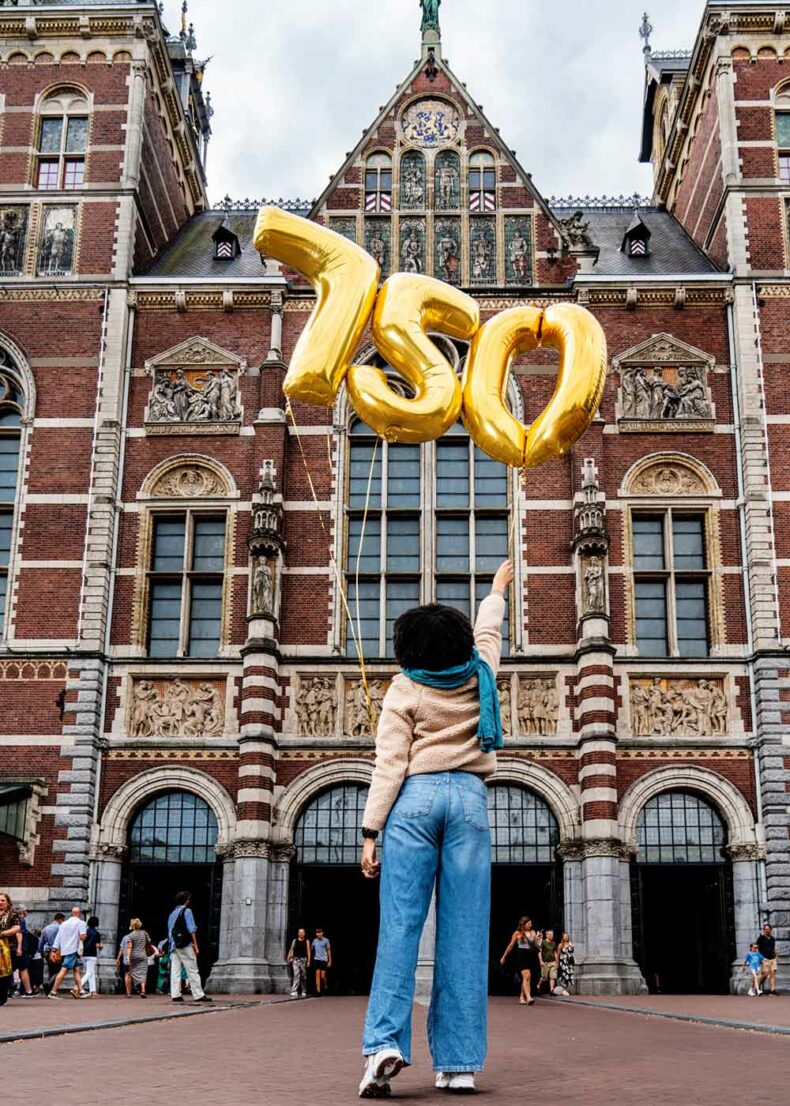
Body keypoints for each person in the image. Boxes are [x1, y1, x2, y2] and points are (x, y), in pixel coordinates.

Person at [359, 559, 513, 1098]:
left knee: (399, 928)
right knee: (466, 935)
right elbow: (491, 629)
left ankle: (383, 1045)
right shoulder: (482, 670)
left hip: (413, 802)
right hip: (470, 801)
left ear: (408, 651)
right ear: (460, 643)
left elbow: (389, 765)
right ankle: (459, 1064)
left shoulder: (403, 690)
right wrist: (496, 590)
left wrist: (371, 831)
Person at [167, 891, 212, 1004]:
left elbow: (170, 931)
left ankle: (175, 994)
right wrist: (195, 945)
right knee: (192, 969)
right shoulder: (187, 911)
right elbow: (191, 929)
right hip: (185, 945)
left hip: (174, 945)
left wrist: (171, 946)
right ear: (186, 900)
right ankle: (198, 995)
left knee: (175, 970)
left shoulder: (172, 914)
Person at [49, 906, 86, 1000]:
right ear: (79, 913)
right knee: (64, 970)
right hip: (73, 950)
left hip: (65, 949)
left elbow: (58, 937)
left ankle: (81, 991)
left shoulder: (63, 924)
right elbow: (82, 937)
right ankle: (53, 992)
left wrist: (54, 950)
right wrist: (84, 936)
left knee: (76, 970)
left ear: (72, 913)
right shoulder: (81, 923)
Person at [500, 917, 538, 1005]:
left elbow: (536, 944)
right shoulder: (517, 933)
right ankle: (528, 997)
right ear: (523, 924)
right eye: (528, 924)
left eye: (531, 923)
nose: (530, 925)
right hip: (521, 955)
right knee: (527, 976)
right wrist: (504, 956)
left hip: (530, 955)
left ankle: (522, 997)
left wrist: (538, 938)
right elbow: (511, 946)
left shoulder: (532, 932)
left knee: (528, 977)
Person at [0, 892, 22, 1006]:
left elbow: (17, 928)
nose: (0, 902)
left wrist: (2, 934)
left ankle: (3, 995)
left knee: (6, 974)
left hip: (9, 948)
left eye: (3, 900)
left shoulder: (12, 913)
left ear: (8, 902)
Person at [38, 912, 65, 994]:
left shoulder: (46, 928)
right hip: (58, 951)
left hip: (47, 951)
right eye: (63, 920)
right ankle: (49, 983)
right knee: (60, 970)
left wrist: (40, 951)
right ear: (60, 919)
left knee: (51, 969)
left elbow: (41, 941)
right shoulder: (61, 928)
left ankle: (49, 989)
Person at [12, 905, 34, 998]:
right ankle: (28, 991)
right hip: (19, 948)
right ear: (22, 912)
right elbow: (19, 933)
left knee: (11, 969)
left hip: (12, 947)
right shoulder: (20, 921)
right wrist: (20, 948)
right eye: (25, 910)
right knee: (23, 969)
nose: (27, 912)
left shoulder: (13, 919)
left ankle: (12, 989)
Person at [79, 916, 102, 998]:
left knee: (91, 973)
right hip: (92, 954)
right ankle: (77, 987)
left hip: (83, 954)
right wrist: (101, 946)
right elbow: (97, 945)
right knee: (89, 973)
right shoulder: (97, 933)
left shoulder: (85, 931)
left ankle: (93, 992)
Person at [287, 927, 311, 998]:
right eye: (300, 932)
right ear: (298, 933)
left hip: (303, 960)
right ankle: (294, 990)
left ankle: (304, 990)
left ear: (304, 934)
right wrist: (288, 957)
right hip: (295, 960)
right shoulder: (294, 941)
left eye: (302, 932)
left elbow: (308, 951)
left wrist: (309, 961)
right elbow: (291, 949)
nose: (301, 933)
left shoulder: (307, 941)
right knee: (296, 975)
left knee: (303, 976)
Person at [757, 924, 778, 996]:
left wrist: (775, 953)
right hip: (764, 959)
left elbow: (773, 948)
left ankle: (773, 990)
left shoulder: (772, 938)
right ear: (764, 930)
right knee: (765, 975)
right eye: (765, 929)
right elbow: (757, 949)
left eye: (768, 929)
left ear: (771, 930)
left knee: (773, 974)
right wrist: (759, 958)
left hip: (773, 959)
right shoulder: (761, 938)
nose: (767, 930)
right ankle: (757, 986)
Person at [312, 927, 332, 995]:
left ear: (322, 933)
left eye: (320, 932)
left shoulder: (326, 940)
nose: (319, 934)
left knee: (322, 976)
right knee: (317, 975)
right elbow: (311, 948)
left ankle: (325, 984)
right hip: (316, 959)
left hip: (324, 959)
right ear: (316, 934)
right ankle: (318, 991)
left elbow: (328, 950)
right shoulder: (314, 940)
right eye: (317, 933)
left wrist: (330, 961)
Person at [539, 928, 559, 996]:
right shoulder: (543, 942)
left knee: (552, 976)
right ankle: (538, 986)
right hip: (545, 962)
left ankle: (551, 989)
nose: (551, 936)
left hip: (552, 962)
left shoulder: (554, 943)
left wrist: (557, 962)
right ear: (546, 935)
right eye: (550, 934)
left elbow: (555, 953)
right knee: (544, 977)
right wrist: (541, 961)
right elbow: (539, 952)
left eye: (552, 934)